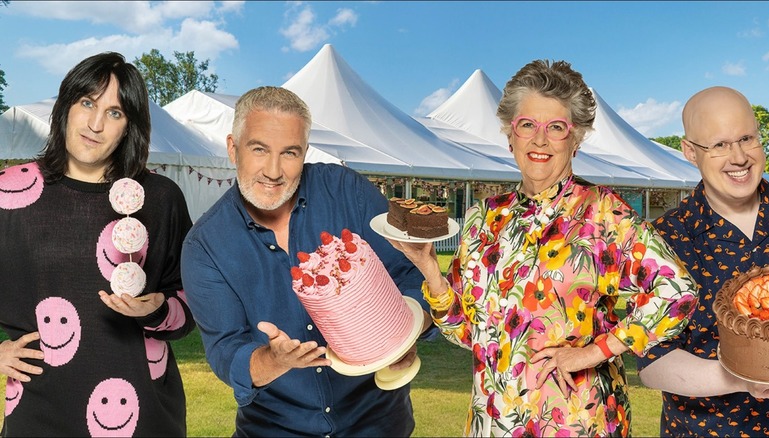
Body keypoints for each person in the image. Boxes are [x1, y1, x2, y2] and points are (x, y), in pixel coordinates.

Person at [386, 59, 700, 437]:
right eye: (527, 125)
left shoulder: (602, 212)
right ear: (510, 135)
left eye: (556, 127)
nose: (540, 140)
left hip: (578, 422)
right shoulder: (482, 217)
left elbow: (677, 292)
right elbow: (468, 334)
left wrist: (595, 352)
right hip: (493, 420)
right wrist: (430, 270)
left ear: (576, 138)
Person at [180, 86, 433, 437]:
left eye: (289, 152)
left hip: (377, 424)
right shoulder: (205, 246)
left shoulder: (349, 192)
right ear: (233, 149)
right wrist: (273, 360)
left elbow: (409, 275)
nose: (273, 170)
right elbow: (226, 351)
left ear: (304, 152)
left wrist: (404, 335)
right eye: (259, 149)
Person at [0, 52, 195, 436]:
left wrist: (157, 309)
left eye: (115, 113)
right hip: (40, 412)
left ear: (129, 127)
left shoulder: (160, 198)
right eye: (87, 103)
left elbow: (194, 302)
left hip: (144, 412)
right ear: (64, 107)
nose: (95, 124)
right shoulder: (9, 193)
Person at [636, 86, 769, 436]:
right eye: (719, 145)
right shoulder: (662, 240)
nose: (739, 157)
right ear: (690, 151)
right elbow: (652, 362)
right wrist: (742, 377)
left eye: (747, 138)